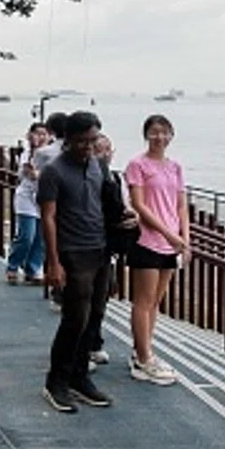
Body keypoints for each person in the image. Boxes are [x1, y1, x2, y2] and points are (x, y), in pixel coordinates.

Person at [37, 111, 115, 411]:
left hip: (100, 250)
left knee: (94, 317)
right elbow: (49, 217)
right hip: (72, 253)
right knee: (75, 319)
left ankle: (80, 378)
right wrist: (53, 262)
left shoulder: (97, 166)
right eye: (82, 141)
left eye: (93, 140)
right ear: (68, 140)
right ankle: (56, 381)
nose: (88, 146)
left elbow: (102, 203)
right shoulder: (54, 172)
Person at [124, 113, 189, 387]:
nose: (159, 137)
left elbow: (181, 204)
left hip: (172, 242)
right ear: (146, 134)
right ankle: (142, 358)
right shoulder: (137, 165)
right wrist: (168, 233)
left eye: (164, 132)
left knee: (156, 302)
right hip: (147, 240)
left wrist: (186, 238)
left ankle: (145, 351)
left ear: (171, 134)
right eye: (154, 131)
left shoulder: (175, 167)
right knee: (143, 300)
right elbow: (139, 205)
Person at [79, 133, 134, 369]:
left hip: (107, 246)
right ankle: (80, 351)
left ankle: (93, 343)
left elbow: (123, 206)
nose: (105, 154)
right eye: (99, 149)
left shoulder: (115, 178)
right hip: (85, 245)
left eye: (108, 149)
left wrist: (131, 218)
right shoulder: (84, 178)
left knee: (101, 298)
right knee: (84, 300)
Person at [3, 122, 51, 285]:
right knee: (27, 236)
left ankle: (33, 268)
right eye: (38, 133)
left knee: (41, 237)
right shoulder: (27, 154)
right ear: (30, 135)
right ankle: (13, 265)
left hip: (43, 198)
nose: (41, 137)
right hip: (26, 198)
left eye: (45, 134)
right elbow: (31, 173)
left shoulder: (52, 155)